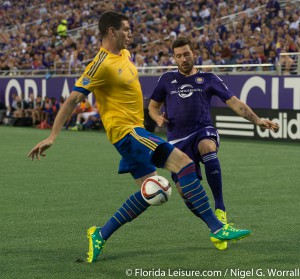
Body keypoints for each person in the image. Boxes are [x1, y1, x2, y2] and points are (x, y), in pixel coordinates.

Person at [28, 11, 252, 263]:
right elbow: (72, 100)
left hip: (132, 133)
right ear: (112, 31)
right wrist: (53, 136)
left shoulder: (124, 54)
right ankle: (218, 227)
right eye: (126, 29)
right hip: (129, 132)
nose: (131, 33)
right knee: (185, 165)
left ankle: (100, 234)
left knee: (151, 192)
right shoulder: (100, 64)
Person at [148, 36, 279, 250]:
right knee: (185, 192)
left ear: (194, 54)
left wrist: (257, 120)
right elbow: (153, 107)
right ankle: (216, 228)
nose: (183, 59)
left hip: (202, 131)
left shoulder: (208, 78)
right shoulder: (166, 79)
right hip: (177, 142)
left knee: (207, 147)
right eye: (179, 56)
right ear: (174, 58)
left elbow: (234, 102)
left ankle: (220, 208)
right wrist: (157, 118)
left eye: (186, 54)